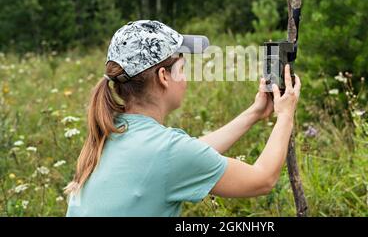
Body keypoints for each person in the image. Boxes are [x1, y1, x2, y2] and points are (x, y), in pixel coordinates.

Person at [65, 20, 301, 216]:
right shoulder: (167, 150)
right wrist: (285, 116)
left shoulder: (111, 133)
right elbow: (263, 179)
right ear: (163, 77)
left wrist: (254, 113)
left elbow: (189, 154)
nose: (186, 77)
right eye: (182, 67)